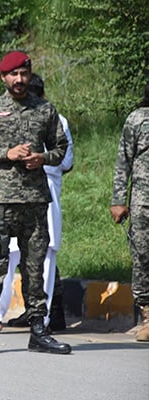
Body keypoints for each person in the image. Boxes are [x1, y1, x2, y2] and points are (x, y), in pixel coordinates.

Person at [0, 51, 71, 355]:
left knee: (34, 267)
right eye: (13, 74)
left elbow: (61, 148)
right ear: (3, 77)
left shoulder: (45, 110)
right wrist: (6, 154)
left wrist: (43, 158)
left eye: (24, 73)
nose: (19, 80)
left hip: (35, 201)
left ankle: (38, 330)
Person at [0, 74, 74, 332]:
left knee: (35, 254)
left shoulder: (52, 118)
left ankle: (33, 316)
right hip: (21, 191)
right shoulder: (13, 115)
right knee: (13, 254)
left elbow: (65, 159)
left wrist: (41, 158)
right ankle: (9, 315)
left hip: (38, 191)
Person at [110, 82, 149, 342]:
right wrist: (118, 200)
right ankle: (148, 314)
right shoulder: (137, 119)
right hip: (144, 202)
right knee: (143, 254)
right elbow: (123, 161)